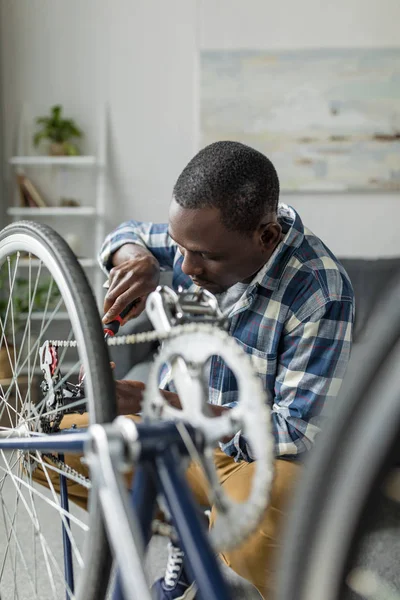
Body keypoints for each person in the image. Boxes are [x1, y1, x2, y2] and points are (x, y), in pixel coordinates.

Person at [96, 141, 355, 600]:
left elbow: (297, 431)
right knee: (58, 433)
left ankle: (198, 528)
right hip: (173, 437)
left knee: (261, 520)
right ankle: (188, 523)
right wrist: (135, 259)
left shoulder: (321, 289)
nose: (185, 266)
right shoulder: (196, 237)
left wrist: (168, 404)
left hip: (244, 460)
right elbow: (125, 232)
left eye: (205, 256)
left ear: (267, 237)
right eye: (178, 248)